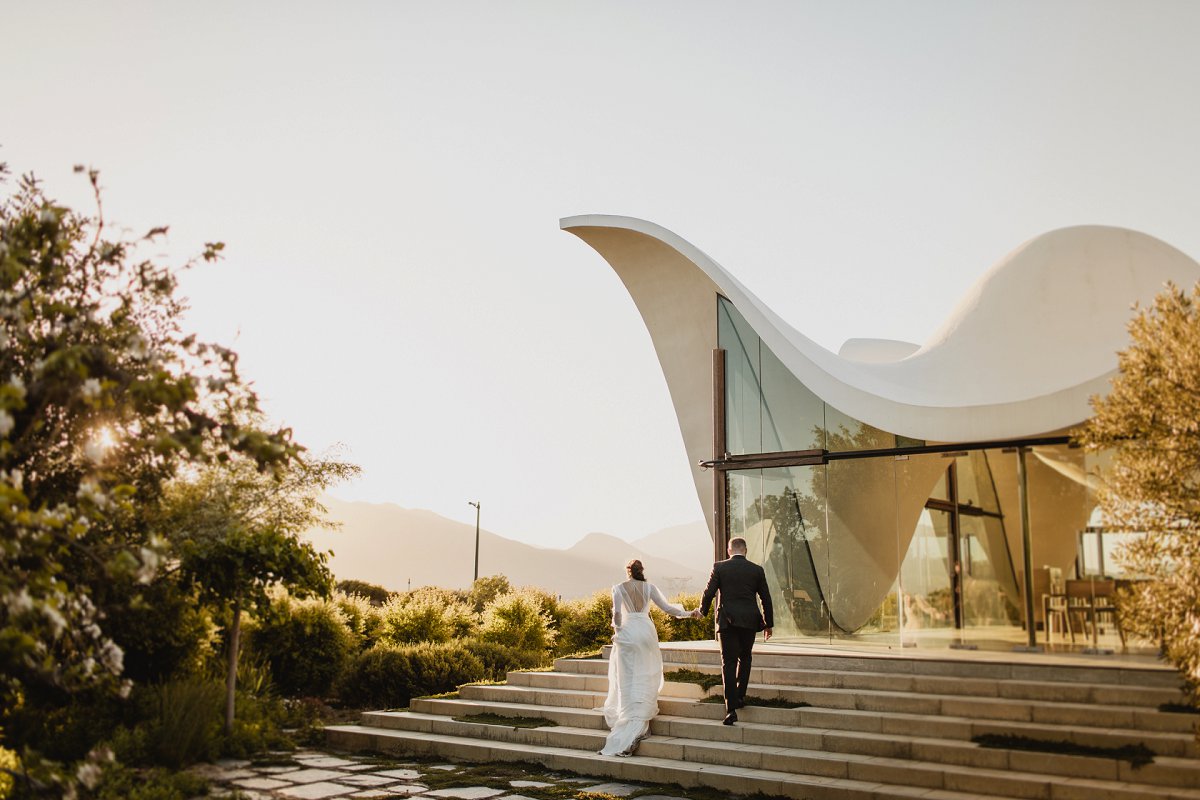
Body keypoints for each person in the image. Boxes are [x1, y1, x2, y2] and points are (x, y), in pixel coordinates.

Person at [599, 558, 697, 757]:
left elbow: (617, 615)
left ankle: (629, 714)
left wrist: (618, 632)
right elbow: (667, 608)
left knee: (627, 676)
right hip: (645, 631)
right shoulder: (649, 588)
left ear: (628, 571)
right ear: (641, 571)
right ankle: (642, 712)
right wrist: (689, 613)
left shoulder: (618, 588)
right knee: (646, 671)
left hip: (628, 633)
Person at [696, 536, 773, 725]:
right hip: (749, 620)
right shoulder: (756, 570)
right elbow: (765, 598)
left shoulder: (719, 567)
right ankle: (740, 696)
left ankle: (731, 710)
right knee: (745, 658)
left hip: (727, 622)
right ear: (745, 551)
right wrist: (768, 624)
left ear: (729, 551)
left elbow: (709, 592)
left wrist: (702, 611)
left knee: (728, 663)